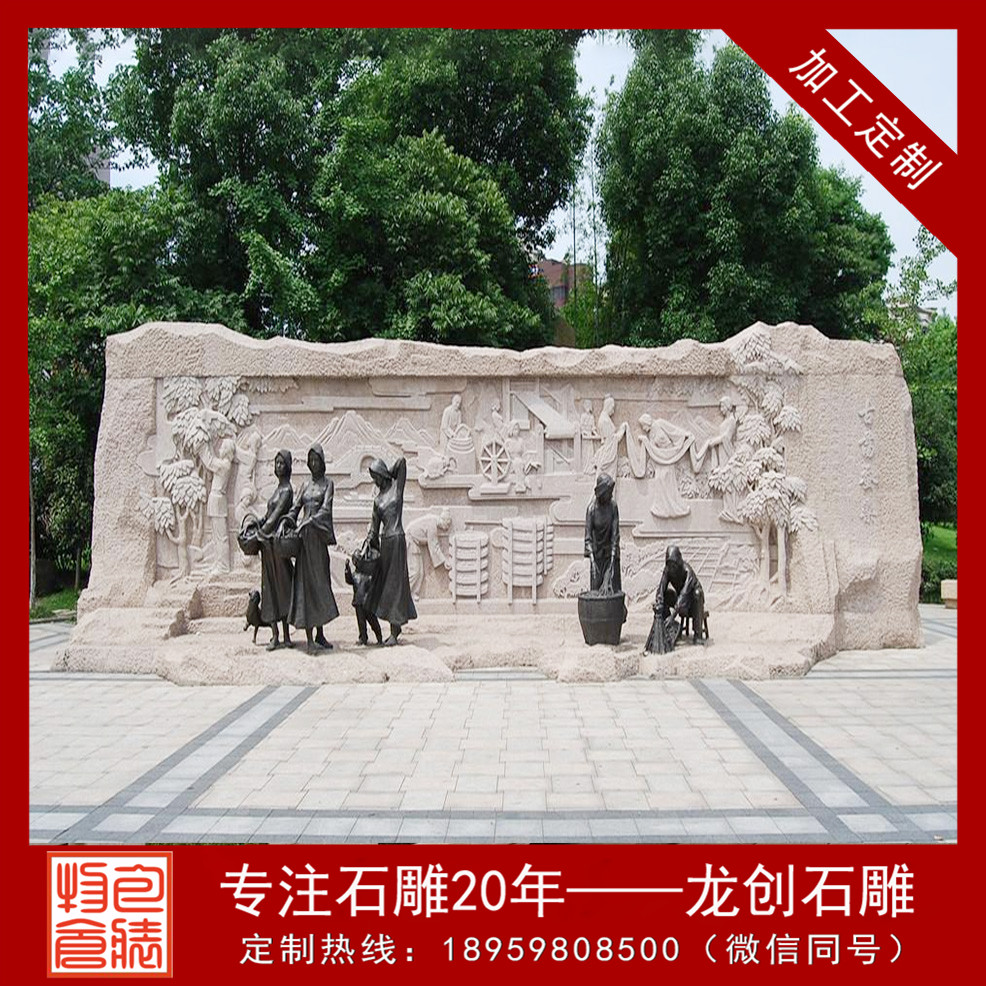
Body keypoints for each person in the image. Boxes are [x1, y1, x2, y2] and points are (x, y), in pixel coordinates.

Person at [287, 444, 339, 654]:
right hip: (304, 542)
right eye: (311, 460)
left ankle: (320, 633)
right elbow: (295, 508)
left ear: (322, 462)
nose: (314, 463)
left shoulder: (328, 484)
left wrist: (310, 521)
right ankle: (309, 638)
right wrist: (288, 520)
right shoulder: (305, 485)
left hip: (318, 540)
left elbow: (326, 509)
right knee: (306, 587)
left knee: (320, 585)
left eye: (317, 460)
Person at [365, 457, 417, 645]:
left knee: (396, 585)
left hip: (397, 540)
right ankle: (393, 626)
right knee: (385, 585)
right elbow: (374, 528)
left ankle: (395, 630)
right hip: (384, 543)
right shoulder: (378, 500)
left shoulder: (397, 489)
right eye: (373, 478)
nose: (375, 481)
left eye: (376, 476)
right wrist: (369, 540)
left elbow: (402, 462)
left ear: (382, 474)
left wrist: (389, 473)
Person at [255, 449, 295, 651]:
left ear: (288, 466)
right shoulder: (278, 489)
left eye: (282, 463)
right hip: (267, 546)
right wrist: (258, 523)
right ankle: (275, 635)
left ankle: (286, 635)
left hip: (276, 545)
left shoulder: (287, 490)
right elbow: (269, 514)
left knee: (283, 588)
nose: (278, 466)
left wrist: (262, 531)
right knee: (269, 589)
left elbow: (277, 515)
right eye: (276, 463)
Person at [645, 545, 706, 652]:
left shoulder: (687, 571)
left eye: (673, 565)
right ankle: (668, 627)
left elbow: (684, 594)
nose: (671, 568)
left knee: (697, 594)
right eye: (669, 564)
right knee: (667, 594)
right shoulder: (668, 570)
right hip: (680, 599)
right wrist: (659, 603)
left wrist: (673, 615)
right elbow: (661, 588)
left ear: (678, 562)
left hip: (693, 601)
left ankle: (698, 634)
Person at [584, 473, 621, 593]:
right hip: (597, 557)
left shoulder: (613, 507)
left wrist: (612, 559)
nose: (611, 495)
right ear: (602, 492)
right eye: (609, 492)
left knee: (613, 591)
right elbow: (588, 538)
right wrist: (592, 560)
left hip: (611, 556)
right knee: (596, 592)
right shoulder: (591, 510)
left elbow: (615, 535)